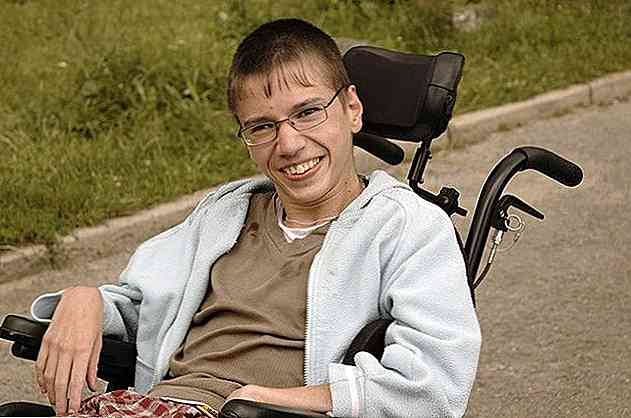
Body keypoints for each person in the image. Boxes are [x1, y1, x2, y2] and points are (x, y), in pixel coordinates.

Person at [30, 18, 481, 418]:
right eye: (262, 126)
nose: (289, 144)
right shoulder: (226, 213)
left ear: (352, 109)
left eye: (307, 113)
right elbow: (143, 308)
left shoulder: (405, 228)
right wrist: (85, 299)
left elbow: (433, 389)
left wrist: (272, 400)